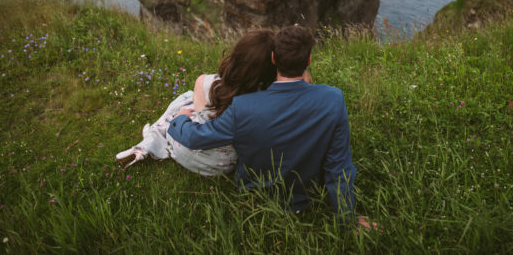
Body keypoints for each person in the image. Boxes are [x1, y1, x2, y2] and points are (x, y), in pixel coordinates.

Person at [167, 25, 358, 223]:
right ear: (309, 60)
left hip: (253, 201)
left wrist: (179, 118)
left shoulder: (243, 106)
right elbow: (339, 166)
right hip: (305, 199)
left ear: (274, 59)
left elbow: (195, 138)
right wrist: (347, 219)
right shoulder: (333, 100)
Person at [115, 29, 277, 176]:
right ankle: (153, 139)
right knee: (196, 105)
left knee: (186, 101)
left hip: (186, 149)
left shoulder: (206, 82)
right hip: (222, 165)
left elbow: (199, 113)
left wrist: (182, 117)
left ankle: (152, 138)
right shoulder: (268, 100)